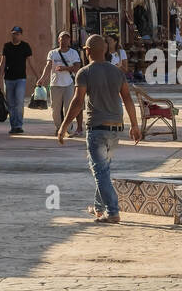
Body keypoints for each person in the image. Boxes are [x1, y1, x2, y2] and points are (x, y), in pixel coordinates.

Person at [58, 35, 142, 223]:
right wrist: (135, 125)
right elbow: (128, 98)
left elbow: (78, 102)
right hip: (115, 129)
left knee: (100, 171)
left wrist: (64, 126)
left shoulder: (84, 72)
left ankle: (112, 211)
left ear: (87, 51)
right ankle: (98, 207)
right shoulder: (117, 72)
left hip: (97, 129)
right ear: (104, 50)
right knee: (104, 169)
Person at [36, 31, 82, 137]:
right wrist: (42, 78)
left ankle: (68, 128)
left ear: (69, 40)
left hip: (68, 84)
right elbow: (48, 66)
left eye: (66, 38)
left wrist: (65, 68)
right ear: (59, 40)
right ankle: (58, 127)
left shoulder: (73, 53)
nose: (64, 40)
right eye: (62, 38)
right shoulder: (52, 53)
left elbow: (77, 68)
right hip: (55, 84)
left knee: (68, 108)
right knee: (55, 109)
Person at [0, 26, 34, 135]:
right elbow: (2, 63)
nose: (15, 36)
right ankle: (13, 126)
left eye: (17, 34)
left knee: (19, 102)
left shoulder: (25, 46)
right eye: (13, 34)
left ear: (21, 35)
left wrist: (38, 76)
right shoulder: (7, 46)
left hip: (21, 79)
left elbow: (31, 62)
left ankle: (19, 125)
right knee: (11, 103)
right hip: (8, 79)